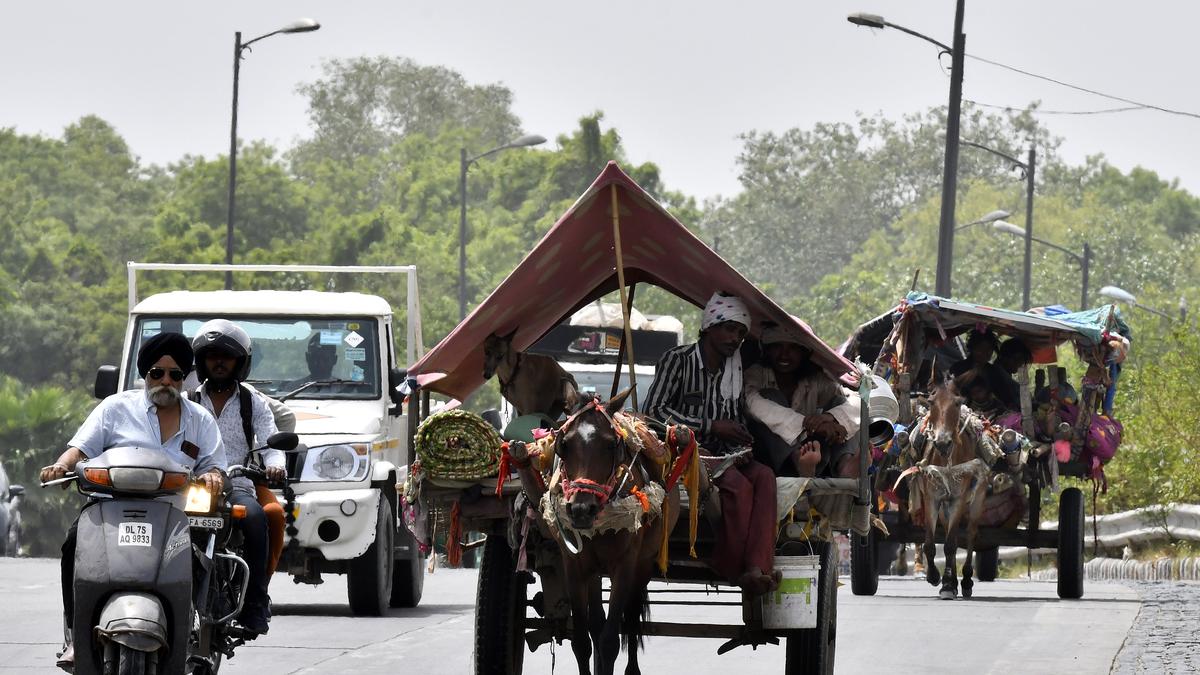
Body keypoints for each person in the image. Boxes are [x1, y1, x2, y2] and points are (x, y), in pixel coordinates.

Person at [41, 333, 226, 671]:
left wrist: (213, 476)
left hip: (175, 513)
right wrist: (61, 466)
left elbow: (215, 466)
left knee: (202, 557)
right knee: (72, 545)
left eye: (175, 374)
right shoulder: (115, 408)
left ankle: (194, 631)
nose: (166, 381)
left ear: (184, 379)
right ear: (145, 374)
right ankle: (74, 635)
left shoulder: (200, 419)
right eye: (157, 373)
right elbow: (79, 449)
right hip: (109, 509)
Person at [642, 292, 779, 595]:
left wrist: (741, 450)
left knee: (765, 477)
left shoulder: (735, 370)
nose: (735, 339)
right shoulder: (677, 360)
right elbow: (653, 413)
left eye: (740, 333)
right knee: (738, 487)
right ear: (708, 327)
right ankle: (732, 567)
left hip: (722, 456)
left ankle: (757, 567)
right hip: (682, 456)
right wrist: (710, 426)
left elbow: (735, 423)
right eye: (729, 329)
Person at [191, 319, 285, 635]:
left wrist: (276, 465)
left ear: (240, 362)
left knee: (257, 519)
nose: (219, 362)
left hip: (236, 484)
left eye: (227, 356)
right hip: (193, 487)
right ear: (201, 361)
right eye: (212, 355)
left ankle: (255, 601)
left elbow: (271, 442)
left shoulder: (251, 401)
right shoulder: (188, 401)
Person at [744, 322, 862, 478]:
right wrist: (808, 424)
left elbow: (857, 400)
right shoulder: (756, 374)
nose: (784, 355)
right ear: (767, 350)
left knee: (840, 402)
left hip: (815, 452)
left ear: (804, 352)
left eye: (793, 348)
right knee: (770, 395)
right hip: (770, 457)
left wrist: (831, 417)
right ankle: (798, 460)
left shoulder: (816, 379)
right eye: (777, 346)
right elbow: (751, 402)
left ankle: (845, 464)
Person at [993, 338, 1033, 410]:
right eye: (1018, 360)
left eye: (1022, 361)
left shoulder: (1004, 373)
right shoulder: (998, 374)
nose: (1020, 364)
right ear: (1005, 358)